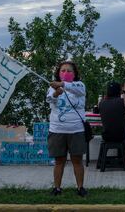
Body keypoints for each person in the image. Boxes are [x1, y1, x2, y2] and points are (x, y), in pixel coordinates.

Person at [46, 61, 88, 197]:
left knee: (77, 160)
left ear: (75, 74)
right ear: (58, 72)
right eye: (63, 70)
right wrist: (56, 94)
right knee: (59, 161)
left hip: (76, 130)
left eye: (69, 71)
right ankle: (57, 188)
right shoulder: (53, 87)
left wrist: (62, 84)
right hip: (57, 130)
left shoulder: (80, 85)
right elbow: (49, 100)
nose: (65, 73)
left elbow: (76, 89)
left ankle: (80, 187)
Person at [99, 81, 125, 170]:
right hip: (121, 136)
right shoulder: (123, 101)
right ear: (119, 91)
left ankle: (102, 162)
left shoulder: (101, 102)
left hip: (106, 136)